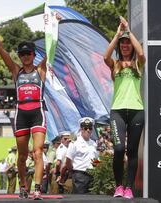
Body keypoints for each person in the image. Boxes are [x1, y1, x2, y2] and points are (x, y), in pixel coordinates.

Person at [0, 15, 61, 198]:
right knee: (22, 156)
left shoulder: (40, 70)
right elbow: (0, 49)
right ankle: (23, 186)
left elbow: (52, 47)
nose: (25, 57)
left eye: (28, 54)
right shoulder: (15, 70)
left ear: (34, 55)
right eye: (22, 54)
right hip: (21, 113)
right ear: (19, 56)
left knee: (37, 152)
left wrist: (55, 25)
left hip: (37, 112)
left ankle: (37, 189)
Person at [104, 16, 145, 199]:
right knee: (119, 149)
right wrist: (118, 34)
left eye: (128, 43)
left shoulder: (138, 64)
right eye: (123, 44)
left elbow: (142, 53)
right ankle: (119, 186)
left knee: (132, 151)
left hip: (137, 111)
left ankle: (129, 188)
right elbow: (106, 56)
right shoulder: (115, 65)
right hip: (118, 111)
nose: (125, 46)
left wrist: (129, 31)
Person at [60, 117, 99, 194]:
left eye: (90, 128)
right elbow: (68, 160)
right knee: (79, 199)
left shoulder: (94, 144)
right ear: (81, 129)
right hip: (80, 175)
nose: (88, 130)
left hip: (92, 175)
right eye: (85, 128)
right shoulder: (75, 143)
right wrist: (73, 172)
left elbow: (95, 160)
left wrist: (98, 168)